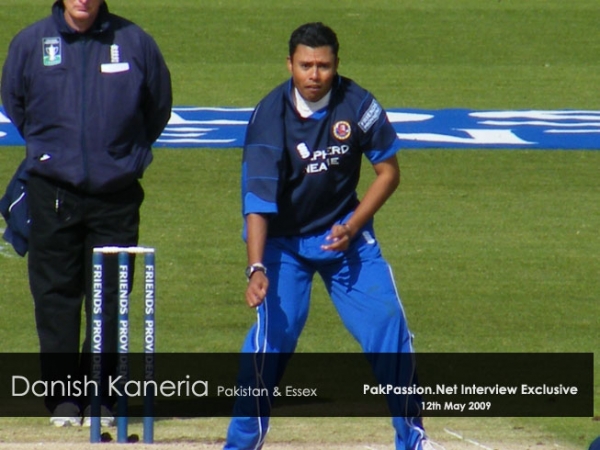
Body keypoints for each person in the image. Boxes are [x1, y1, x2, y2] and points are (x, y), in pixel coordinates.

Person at [225, 22, 441, 450]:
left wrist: (354, 224)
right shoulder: (270, 117)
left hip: (345, 239)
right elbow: (257, 201)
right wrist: (256, 267)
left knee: (387, 325)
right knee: (270, 343)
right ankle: (241, 445)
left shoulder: (358, 104)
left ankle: (413, 440)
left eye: (323, 65)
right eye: (305, 65)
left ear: (336, 65)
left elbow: (389, 173)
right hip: (284, 243)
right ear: (290, 64)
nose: (314, 75)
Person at [1, 0, 172, 427]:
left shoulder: (135, 42)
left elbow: (158, 109)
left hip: (115, 196)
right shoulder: (30, 43)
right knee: (55, 296)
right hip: (51, 191)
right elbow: (16, 105)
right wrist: (51, 153)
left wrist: (118, 157)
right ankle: (61, 397)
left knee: (111, 297)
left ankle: (104, 397)